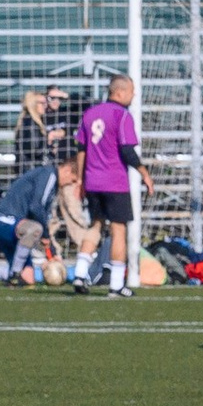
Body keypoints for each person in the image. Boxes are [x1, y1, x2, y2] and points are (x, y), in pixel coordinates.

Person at [72, 76, 141, 298]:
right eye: (131, 91)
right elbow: (127, 151)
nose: (134, 95)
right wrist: (145, 174)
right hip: (115, 182)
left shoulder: (90, 114)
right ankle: (116, 285)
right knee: (119, 230)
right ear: (120, 93)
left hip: (92, 181)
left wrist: (81, 180)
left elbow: (81, 149)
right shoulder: (122, 115)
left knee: (95, 226)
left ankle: (80, 274)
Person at [0, 152, 77, 286]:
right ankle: (15, 274)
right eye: (73, 179)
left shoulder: (51, 182)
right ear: (67, 170)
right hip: (4, 220)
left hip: (17, 229)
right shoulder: (50, 175)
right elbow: (36, 208)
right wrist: (46, 237)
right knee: (35, 229)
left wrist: (51, 253)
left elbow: (39, 214)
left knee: (28, 280)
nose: (71, 184)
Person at [12, 87, 56, 177]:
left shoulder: (29, 121)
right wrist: (49, 145)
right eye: (42, 103)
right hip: (31, 171)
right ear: (33, 104)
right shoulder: (31, 123)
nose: (46, 105)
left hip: (29, 170)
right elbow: (34, 149)